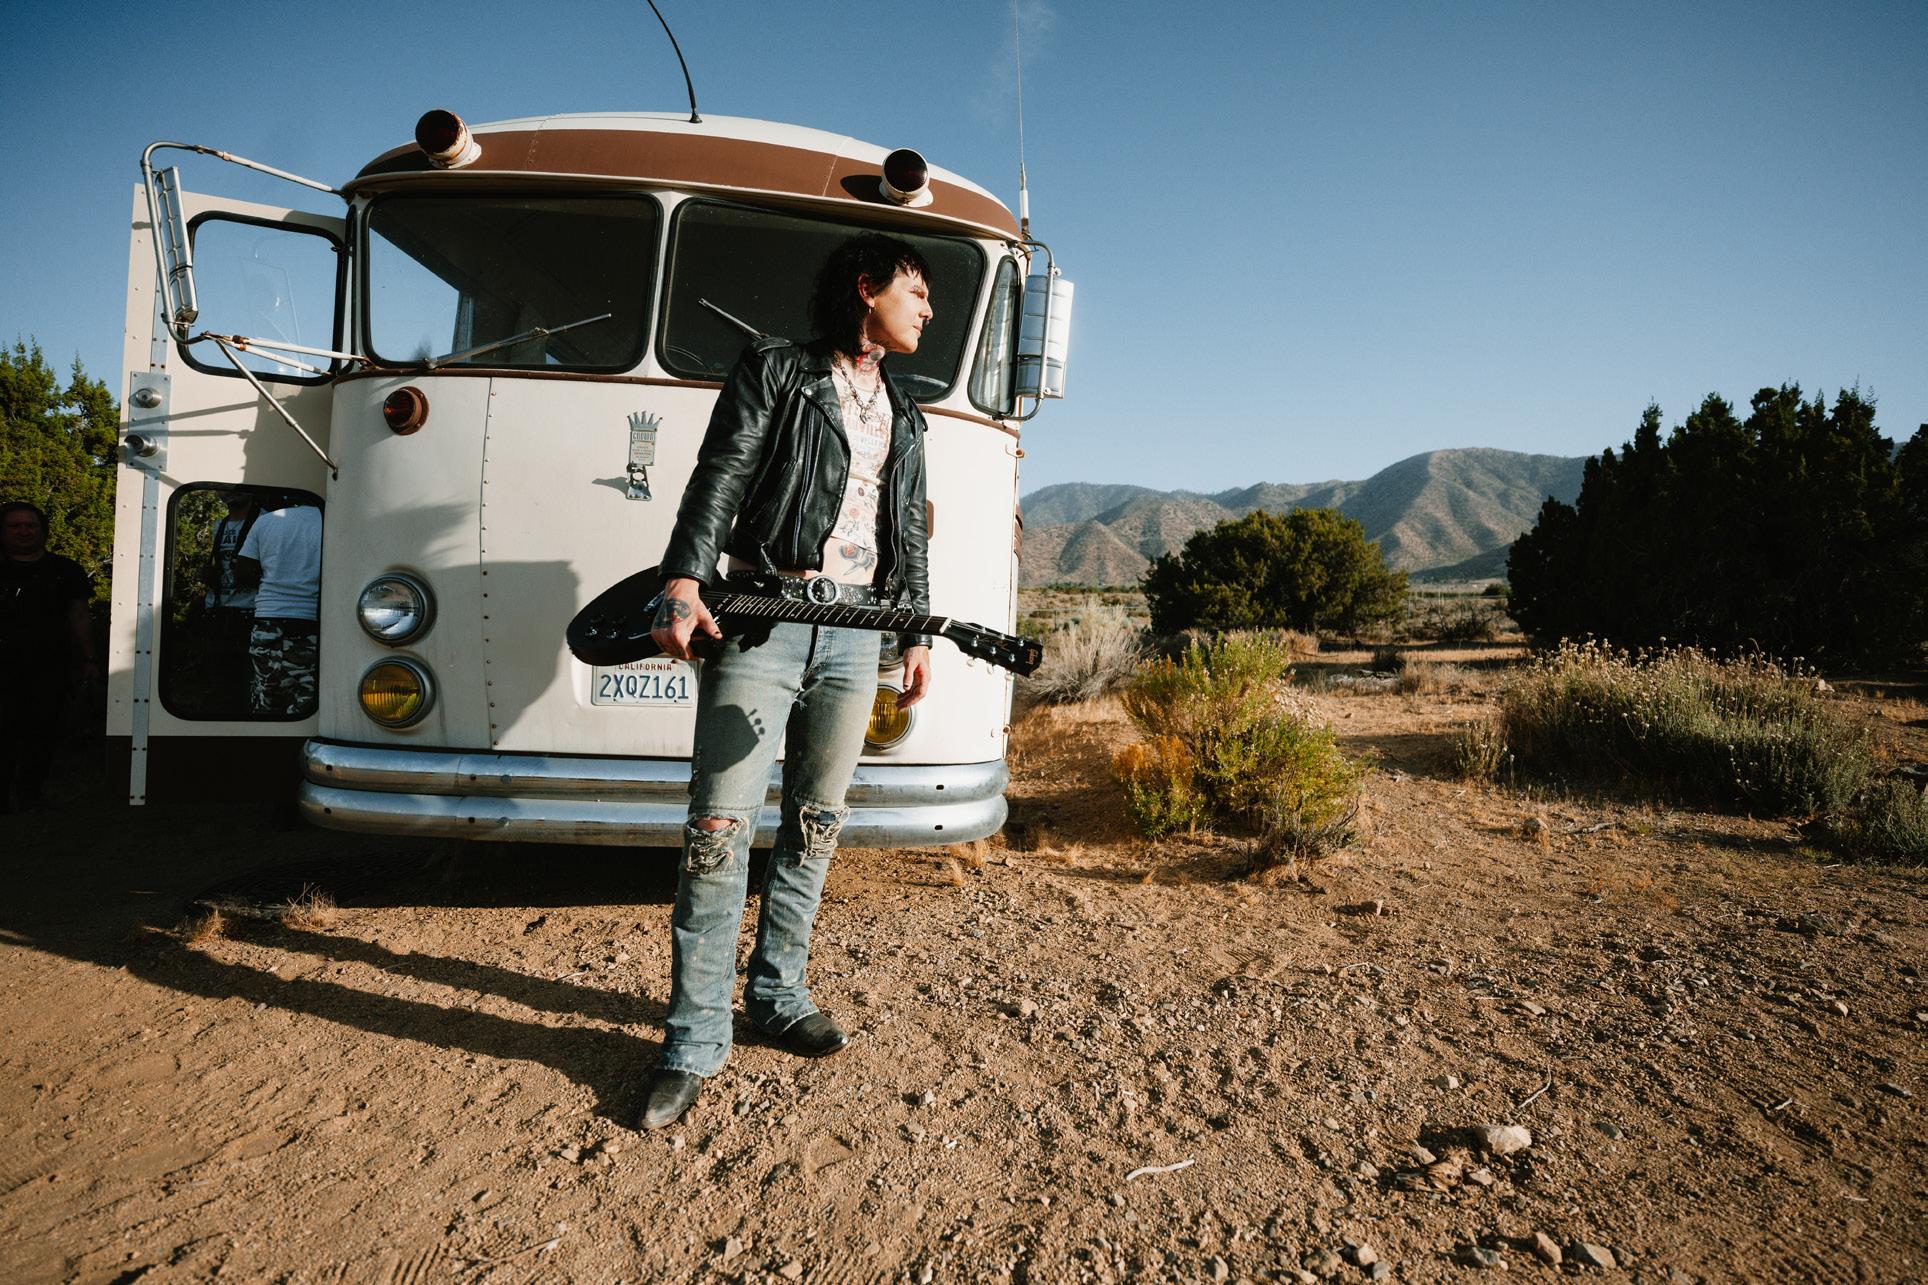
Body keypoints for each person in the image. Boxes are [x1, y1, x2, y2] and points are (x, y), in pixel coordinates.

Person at [641, 233, 937, 1130]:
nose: (928, 309)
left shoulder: (908, 411)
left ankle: (777, 994)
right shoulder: (776, 368)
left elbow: (907, 529)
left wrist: (915, 630)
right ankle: (693, 1039)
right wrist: (684, 579)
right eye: (917, 291)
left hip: (856, 633)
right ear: (866, 287)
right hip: (762, 617)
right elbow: (721, 474)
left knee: (815, 824)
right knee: (718, 830)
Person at [0, 501, 97, 810]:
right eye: (15, 526)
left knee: (42, 733)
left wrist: (90, 659)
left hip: (49, 667)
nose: (23, 531)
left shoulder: (66, 570)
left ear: (43, 530)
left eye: (30, 525)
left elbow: (79, 616)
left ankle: (31, 795)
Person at [235, 496, 322, 717]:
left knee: (266, 698)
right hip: (308, 622)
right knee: (305, 702)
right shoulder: (328, 521)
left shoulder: (266, 521)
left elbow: (243, 572)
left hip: (266, 620)